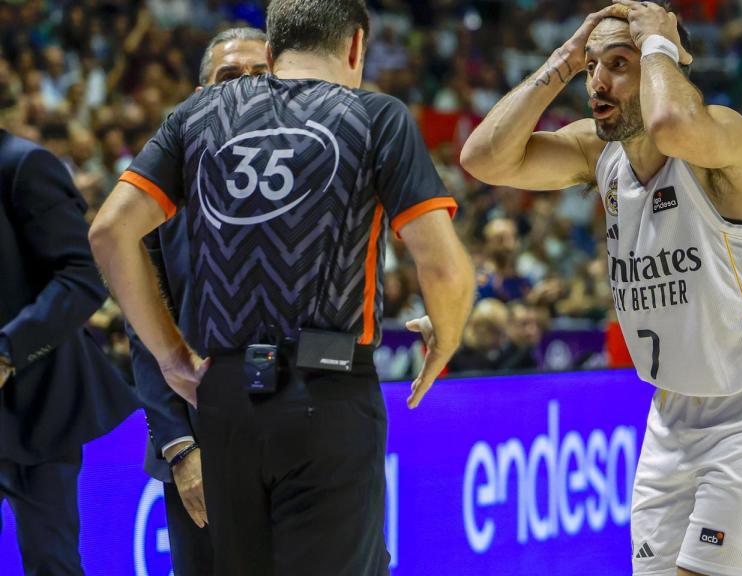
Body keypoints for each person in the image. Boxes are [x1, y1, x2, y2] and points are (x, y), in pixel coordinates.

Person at [88, 0, 476, 573]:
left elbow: (110, 231)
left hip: (223, 398)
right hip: (329, 391)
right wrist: (446, 335)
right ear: (355, 47)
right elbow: (443, 268)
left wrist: (173, 358)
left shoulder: (196, 115)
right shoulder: (377, 116)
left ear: (271, 53)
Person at [460, 2, 742, 575]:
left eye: (620, 64)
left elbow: (671, 125)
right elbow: (483, 158)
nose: (598, 82)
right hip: (672, 415)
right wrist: (563, 58)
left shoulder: (724, 140)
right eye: (593, 67)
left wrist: (660, 42)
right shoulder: (600, 154)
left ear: (665, 64)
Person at [126, 26, 268, 576]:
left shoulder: (318, 177)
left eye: (261, 75)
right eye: (228, 76)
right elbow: (146, 330)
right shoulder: (162, 192)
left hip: (300, 433)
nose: (245, 87)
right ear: (199, 94)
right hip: (200, 443)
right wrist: (181, 449)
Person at [0, 130, 137, 575]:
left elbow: (82, 276)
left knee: (50, 561)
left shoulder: (24, 166)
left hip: (36, 404)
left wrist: (7, 350)